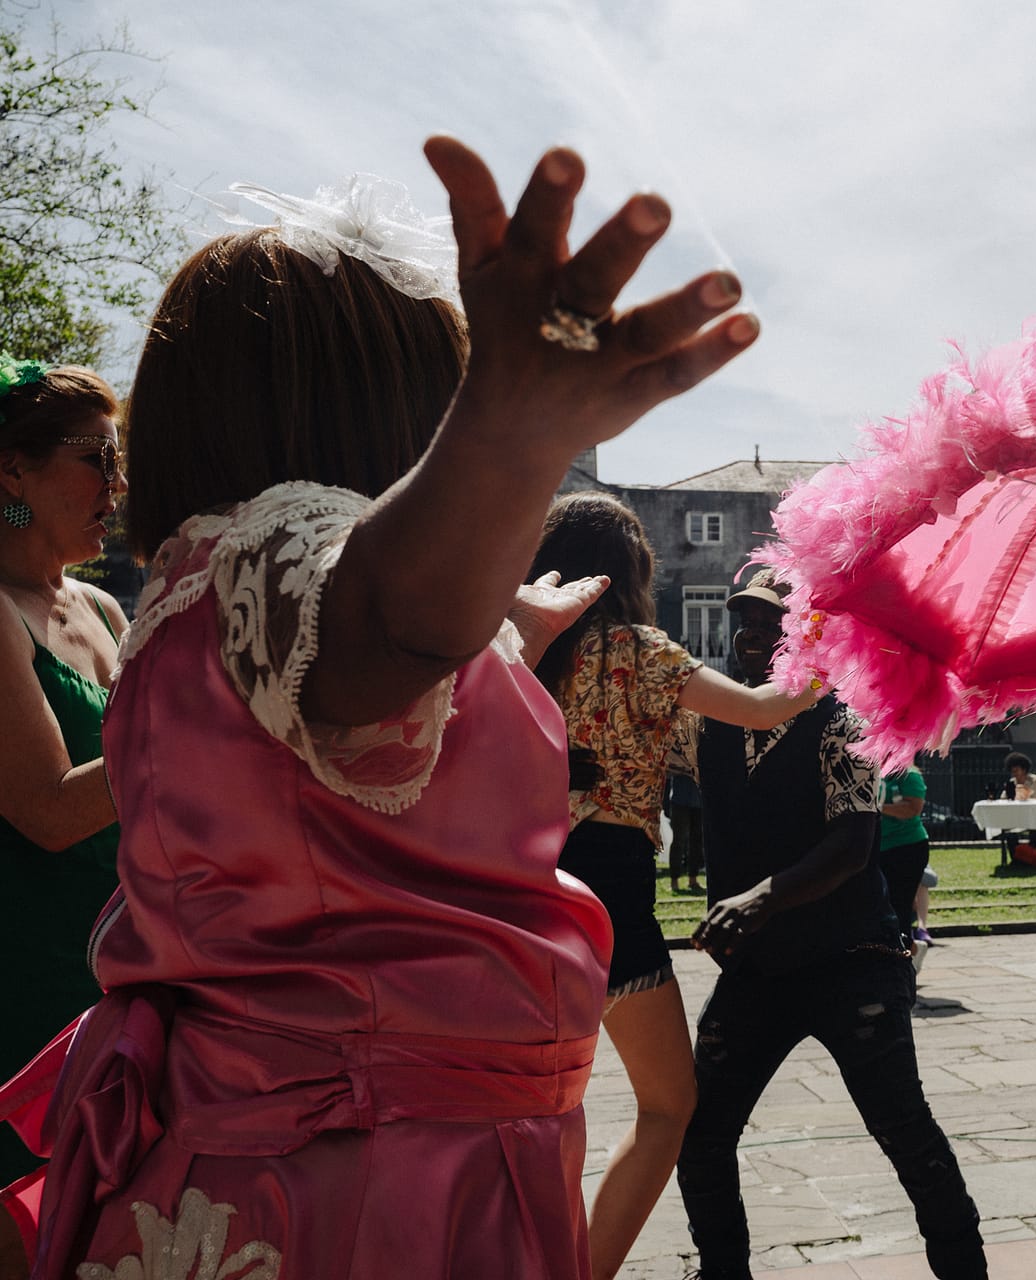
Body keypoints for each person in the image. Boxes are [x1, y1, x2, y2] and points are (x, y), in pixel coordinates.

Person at [0, 143, 758, 1280]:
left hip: (340, 1154)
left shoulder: (212, 582)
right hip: (351, 1188)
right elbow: (377, 633)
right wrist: (510, 431)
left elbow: (352, 713)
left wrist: (503, 634)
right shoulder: (272, 549)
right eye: (444, 388)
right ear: (371, 407)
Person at [527, 493, 816, 1280]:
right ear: (630, 572)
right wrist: (834, 646)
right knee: (667, 1105)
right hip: (609, 895)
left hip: (517, 891)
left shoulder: (515, 647)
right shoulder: (637, 649)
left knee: (536, 1109)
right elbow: (762, 709)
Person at [670, 570, 988, 1280]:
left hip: (850, 960)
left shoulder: (842, 718)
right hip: (759, 970)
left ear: (808, 634)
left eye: (772, 621)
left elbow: (852, 845)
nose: (752, 633)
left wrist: (758, 899)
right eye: (746, 619)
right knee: (700, 1133)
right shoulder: (705, 723)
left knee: (903, 1130)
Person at [0, 359, 127, 1190]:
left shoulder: (105, 608)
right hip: (28, 974)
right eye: (98, 459)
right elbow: (48, 812)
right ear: (14, 471)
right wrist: (211, 731)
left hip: (122, 969)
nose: (119, 484)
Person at [877, 763, 932, 945]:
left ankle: (904, 948)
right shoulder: (875, 772)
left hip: (907, 847)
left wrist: (878, 807)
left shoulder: (909, 774)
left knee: (899, 904)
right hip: (881, 847)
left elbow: (912, 808)